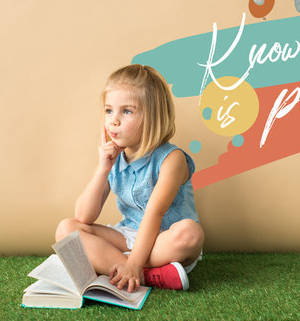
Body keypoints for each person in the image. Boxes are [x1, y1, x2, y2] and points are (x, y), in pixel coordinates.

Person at [55, 64, 204, 293]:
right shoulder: (115, 157)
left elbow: (154, 214)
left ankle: (123, 267)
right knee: (66, 230)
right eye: (108, 111)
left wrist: (134, 263)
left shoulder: (171, 159)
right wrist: (103, 169)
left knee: (191, 234)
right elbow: (83, 216)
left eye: (127, 111)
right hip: (128, 237)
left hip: (163, 240)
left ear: (152, 118)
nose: (113, 121)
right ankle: (151, 276)